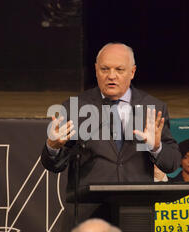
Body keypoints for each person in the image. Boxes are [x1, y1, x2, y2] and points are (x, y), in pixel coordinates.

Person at [41, 42, 180, 205]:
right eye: (105, 69)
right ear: (96, 70)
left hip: (136, 212)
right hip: (89, 213)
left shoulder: (153, 108)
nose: (111, 76)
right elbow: (54, 166)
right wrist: (53, 147)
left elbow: (172, 163)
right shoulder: (75, 107)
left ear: (132, 72)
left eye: (119, 70)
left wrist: (156, 148)